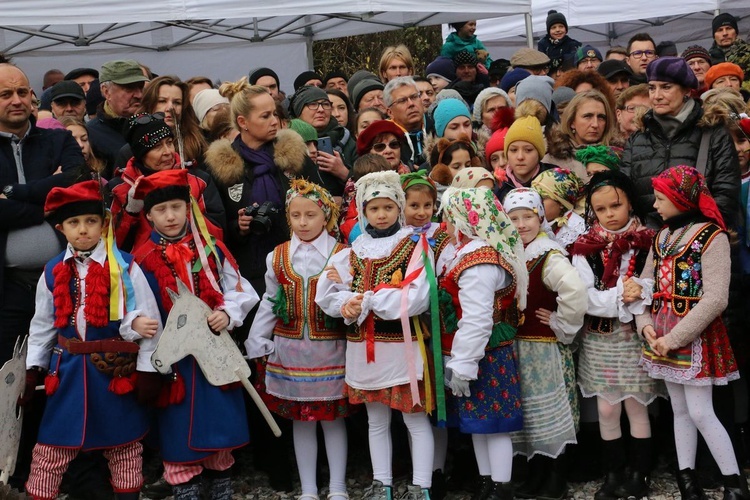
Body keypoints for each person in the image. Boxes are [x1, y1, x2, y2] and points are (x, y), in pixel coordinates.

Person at [22, 180, 161, 500]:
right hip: (67, 373)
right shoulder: (53, 270)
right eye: (73, 223)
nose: (82, 230)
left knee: (124, 449)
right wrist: (33, 369)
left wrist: (148, 369)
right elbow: (42, 325)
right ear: (61, 228)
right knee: (50, 452)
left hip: (115, 373)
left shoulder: (126, 266)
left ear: (103, 223)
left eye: (90, 221)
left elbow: (150, 323)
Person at [132, 168, 258, 500]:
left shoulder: (212, 249)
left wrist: (227, 312)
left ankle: (221, 487)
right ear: (149, 215)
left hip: (215, 356)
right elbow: (138, 310)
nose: (170, 216)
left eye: (176, 207)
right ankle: (185, 488)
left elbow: (241, 290)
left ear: (189, 208)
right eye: (161, 210)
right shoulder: (141, 260)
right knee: (178, 425)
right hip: (176, 364)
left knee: (219, 422)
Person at [316, 171, 434, 500]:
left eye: (388, 207)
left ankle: (422, 485)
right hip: (362, 348)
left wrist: (367, 300)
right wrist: (345, 303)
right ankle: (381, 483)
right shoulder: (355, 250)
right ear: (363, 212)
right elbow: (329, 289)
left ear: (399, 208)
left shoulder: (413, 245)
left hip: (401, 348)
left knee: (413, 417)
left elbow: (416, 296)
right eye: (373, 209)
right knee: (376, 419)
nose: (381, 215)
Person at [637, 166, 749, 500]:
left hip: (692, 335)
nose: (655, 206)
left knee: (701, 411)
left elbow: (716, 297)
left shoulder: (712, 237)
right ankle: (687, 481)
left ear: (679, 198)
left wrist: (673, 338)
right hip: (660, 333)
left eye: (660, 198)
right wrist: (644, 323)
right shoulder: (662, 238)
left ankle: (734, 483)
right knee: (681, 409)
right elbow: (646, 285)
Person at [245, 179, 351, 500]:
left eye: (311, 215)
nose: (303, 223)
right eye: (295, 216)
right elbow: (270, 299)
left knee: (332, 421)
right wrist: (257, 337)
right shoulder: (276, 257)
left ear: (326, 216)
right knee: (301, 422)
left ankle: (337, 486)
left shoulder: (341, 254)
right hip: (290, 351)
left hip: (330, 350)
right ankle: (308, 489)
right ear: (287, 217)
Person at [570, 170, 664, 500]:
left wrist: (640, 291)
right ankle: (613, 472)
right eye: (601, 209)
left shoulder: (648, 241)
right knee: (607, 409)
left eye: (615, 205)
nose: (610, 214)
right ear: (592, 212)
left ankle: (640, 473)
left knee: (636, 407)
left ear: (628, 201)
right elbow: (584, 297)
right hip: (599, 337)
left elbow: (652, 286)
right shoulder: (584, 248)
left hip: (633, 337)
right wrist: (618, 298)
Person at [437, 186, 527, 500]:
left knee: (495, 423)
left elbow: (477, 320)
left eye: (449, 220)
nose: (445, 227)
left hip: (483, 355)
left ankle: (501, 487)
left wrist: (463, 364)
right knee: (478, 422)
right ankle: (487, 482)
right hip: (472, 353)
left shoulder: (479, 262)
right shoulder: (467, 254)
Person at [504, 187, 587, 500]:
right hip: (520, 348)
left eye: (528, 216)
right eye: (514, 218)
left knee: (550, 412)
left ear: (540, 217)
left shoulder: (547, 255)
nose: (522, 223)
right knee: (529, 414)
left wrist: (560, 323)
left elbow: (574, 290)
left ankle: (556, 477)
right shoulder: (513, 253)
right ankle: (535, 473)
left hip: (544, 348)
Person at [205, 79, 319, 302]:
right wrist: (239, 227)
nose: (274, 121)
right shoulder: (221, 166)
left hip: (301, 265)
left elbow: (323, 203)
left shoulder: (294, 155)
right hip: (249, 275)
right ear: (243, 122)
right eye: (265, 116)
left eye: (275, 114)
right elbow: (215, 227)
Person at [0, 63, 84, 364]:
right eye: (6, 94)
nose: (17, 100)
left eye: (22, 92)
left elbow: (77, 181)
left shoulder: (57, 139)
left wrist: (14, 193)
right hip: (8, 288)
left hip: (63, 280)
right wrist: (46, 202)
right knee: (8, 377)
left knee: (62, 370)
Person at [620, 56, 740, 230]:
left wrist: (691, 235)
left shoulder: (712, 131)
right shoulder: (639, 137)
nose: (657, 96)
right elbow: (625, 194)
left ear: (687, 91)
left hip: (698, 240)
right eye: (652, 88)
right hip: (648, 243)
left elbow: (726, 193)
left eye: (666, 87)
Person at [108, 113, 225, 252]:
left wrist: (184, 210)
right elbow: (114, 247)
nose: (168, 152)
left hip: (195, 265)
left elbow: (217, 234)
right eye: (157, 146)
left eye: (169, 142)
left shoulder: (198, 180)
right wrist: (131, 212)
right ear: (140, 154)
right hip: (143, 270)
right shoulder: (120, 188)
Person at [290, 85, 354, 193]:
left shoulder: (347, 139)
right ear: (298, 111)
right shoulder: (288, 142)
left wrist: (343, 172)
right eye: (313, 104)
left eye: (325, 104)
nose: (321, 109)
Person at [87, 60, 149, 168]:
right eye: (129, 88)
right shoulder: (89, 134)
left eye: (141, 87)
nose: (139, 95)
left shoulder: (154, 125)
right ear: (106, 92)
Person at [137, 75, 208, 167]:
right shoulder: (133, 147)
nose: (171, 108)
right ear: (149, 104)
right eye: (162, 101)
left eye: (177, 102)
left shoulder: (198, 146)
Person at [546, 90, 616, 181]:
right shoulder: (552, 159)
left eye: (601, 117)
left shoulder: (619, 155)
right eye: (588, 116)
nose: (595, 124)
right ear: (572, 122)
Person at [496, 116, 553, 202]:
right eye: (513, 150)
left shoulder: (554, 179)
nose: (520, 157)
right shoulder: (498, 187)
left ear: (539, 153)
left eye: (528, 150)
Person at [531, 167, 587, 250]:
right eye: (533, 198)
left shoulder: (578, 232)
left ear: (561, 203)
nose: (536, 204)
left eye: (542, 198)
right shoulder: (531, 222)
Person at [385, 77, 427, 167]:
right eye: (402, 101)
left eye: (414, 97)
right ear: (390, 112)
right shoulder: (384, 144)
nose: (411, 104)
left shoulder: (438, 130)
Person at [537, 10, 581, 75]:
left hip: (567, 77)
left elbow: (572, 62)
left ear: (566, 29)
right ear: (549, 31)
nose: (558, 30)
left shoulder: (573, 44)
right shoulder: (542, 44)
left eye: (561, 26)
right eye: (553, 27)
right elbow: (540, 64)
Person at [708, 12, 750, 79]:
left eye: (728, 28)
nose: (725, 33)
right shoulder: (707, 60)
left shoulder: (747, 54)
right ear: (714, 36)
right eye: (720, 30)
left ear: (736, 32)